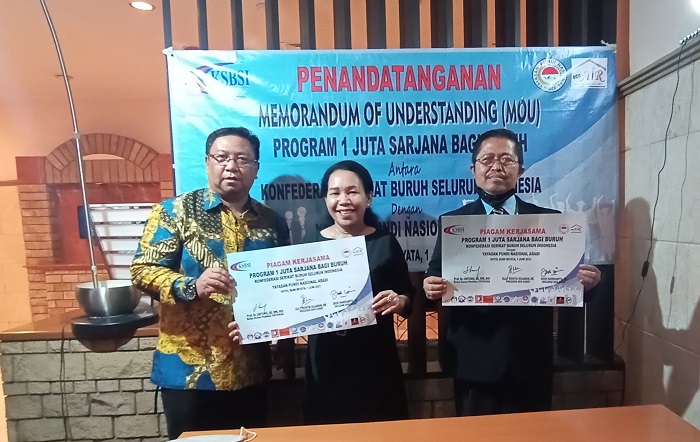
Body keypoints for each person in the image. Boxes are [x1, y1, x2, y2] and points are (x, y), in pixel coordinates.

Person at [423, 128, 601, 417]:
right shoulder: (454, 224)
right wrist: (430, 288)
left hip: (531, 360)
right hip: (474, 361)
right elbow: (433, 283)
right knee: (477, 436)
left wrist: (587, 284)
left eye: (506, 159)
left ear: (521, 170)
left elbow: (569, 285)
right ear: (474, 170)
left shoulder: (550, 223)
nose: (496, 166)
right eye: (487, 159)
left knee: (533, 435)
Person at [131, 127, 289, 439]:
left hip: (251, 370)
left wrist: (282, 335)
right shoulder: (174, 213)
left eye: (242, 159)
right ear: (207, 163)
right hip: (189, 373)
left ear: (256, 168)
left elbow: (284, 286)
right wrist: (192, 286)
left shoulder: (272, 222)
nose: (232, 166)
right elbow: (142, 271)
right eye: (222, 157)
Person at [230, 160, 415, 425]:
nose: (344, 200)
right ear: (326, 199)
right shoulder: (310, 244)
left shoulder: (385, 242)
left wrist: (400, 301)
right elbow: (287, 300)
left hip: (376, 362)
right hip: (326, 363)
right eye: (335, 193)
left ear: (369, 197)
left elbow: (407, 295)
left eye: (352, 192)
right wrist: (252, 323)